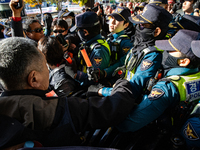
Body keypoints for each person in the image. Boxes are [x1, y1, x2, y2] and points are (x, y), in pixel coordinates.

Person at [0, 37, 136, 148]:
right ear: (34, 78)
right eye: (45, 67)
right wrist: (122, 83)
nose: (49, 70)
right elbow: (115, 108)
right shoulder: (57, 109)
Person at [116, 29, 200, 144]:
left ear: (184, 61)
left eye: (170, 50)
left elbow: (129, 124)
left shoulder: (167, 88)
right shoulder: (195, 75)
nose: (165, 51)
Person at [88, 4, 172, 97]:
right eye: (138, 24)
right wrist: (103, 73)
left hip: (128, 100)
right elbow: (123, 64)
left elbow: (133, 89)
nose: (137, 28)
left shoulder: (153, 55)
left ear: (156, 31)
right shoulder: (141, 45)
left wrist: (101, 91)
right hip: (120, 90)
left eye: (142, 25)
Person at [64, 11, 111, 86]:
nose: (77, 33)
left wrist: (75, 74)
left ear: (85, 32)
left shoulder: (99, 51)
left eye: (78, 30)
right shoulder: (89, 42)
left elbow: (94, 80)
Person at [102, 6, 132, 82]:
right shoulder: (110, 37)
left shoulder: (126, 42)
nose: (112, 22)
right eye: (111, 18)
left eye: (117, 19)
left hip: (114, 80)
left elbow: (123, 62)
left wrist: (105, 72)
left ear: (126, 25)